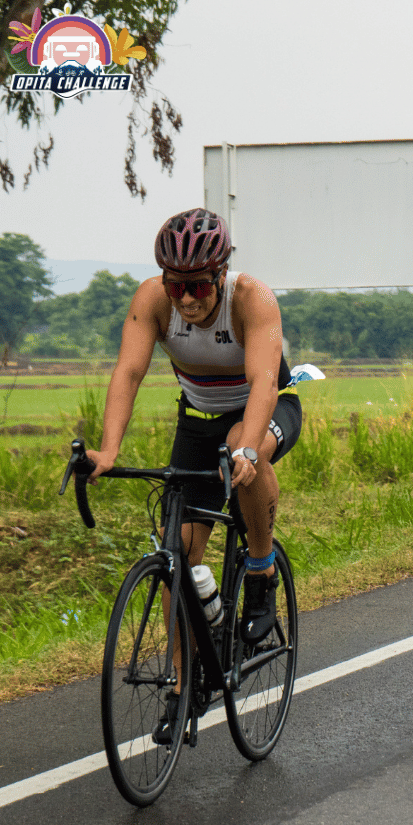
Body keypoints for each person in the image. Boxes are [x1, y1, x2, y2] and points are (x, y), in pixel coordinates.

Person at [87, 208, 302, 738]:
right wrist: (108, 450)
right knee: (177, 553)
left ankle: (260, 570)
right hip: (198, 420)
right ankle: (185, 687)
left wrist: (247, 451)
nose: (187, 298)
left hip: (263, 408)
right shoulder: (151, 301)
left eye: (200, 285)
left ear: (221, 274)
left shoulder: (252, 299)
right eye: (176, 284)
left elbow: (263, 384)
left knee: (243, 451)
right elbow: (128, 373)